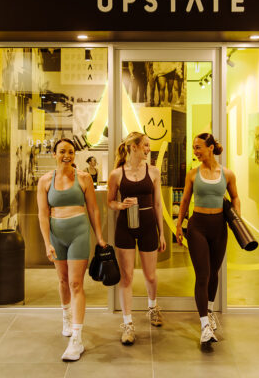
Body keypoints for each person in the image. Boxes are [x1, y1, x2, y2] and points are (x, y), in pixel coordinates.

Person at [37, 138, 106, 361]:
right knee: (63, 280)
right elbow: (42, 214)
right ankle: (66, 316)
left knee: (76, 283)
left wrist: (99, 237)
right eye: (62, 151)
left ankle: (77, 337)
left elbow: (93, 209)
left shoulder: (84, 178)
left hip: (79, 233)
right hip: (56, 235)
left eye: (70, 151)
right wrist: (47, 243)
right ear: (54, 154)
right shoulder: (44, 181)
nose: (67, 155)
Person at [176, 133, 240, 345]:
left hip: (219, 227)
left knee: (214, 273)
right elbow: (185, 200)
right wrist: (179, 225)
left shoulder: (227, 174)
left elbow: (235, 197)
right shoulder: (193, 174)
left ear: (210, 148)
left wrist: (237, 219)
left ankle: (209, 311)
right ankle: (204, 325)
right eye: (194, 148)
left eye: (198, 147)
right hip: (198, 227)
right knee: (202, 275)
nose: (195, 151)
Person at [107, 131, 166, 345]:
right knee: (127, 277)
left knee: (150, 275)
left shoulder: (154, 172)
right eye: (145, 145)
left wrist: (161, 233)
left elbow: (158, 204)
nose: (148, 149)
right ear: (134, 147)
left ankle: (152, 306)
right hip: (125, 227)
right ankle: (128, 323)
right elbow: (110, 201)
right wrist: (120, 205)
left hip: (149, 227)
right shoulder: (117, 174)